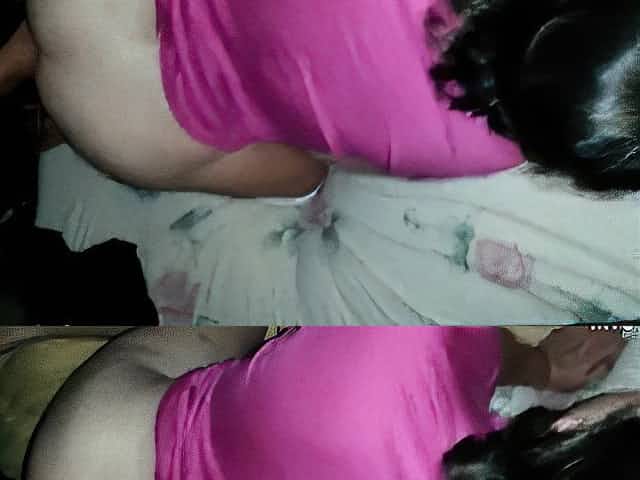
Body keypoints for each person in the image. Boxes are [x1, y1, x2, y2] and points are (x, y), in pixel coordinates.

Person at [1, 0, 638, 199]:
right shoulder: (485, 154)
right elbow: (338, 152)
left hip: (89, 11)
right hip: (124, 122)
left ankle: (31, 56)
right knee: (308, 176)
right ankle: (41, 77)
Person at [23, 326, 625, 480]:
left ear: (574, 427)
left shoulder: (413, 352)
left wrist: (541, 365)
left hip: (99, 451)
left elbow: (472, 349)